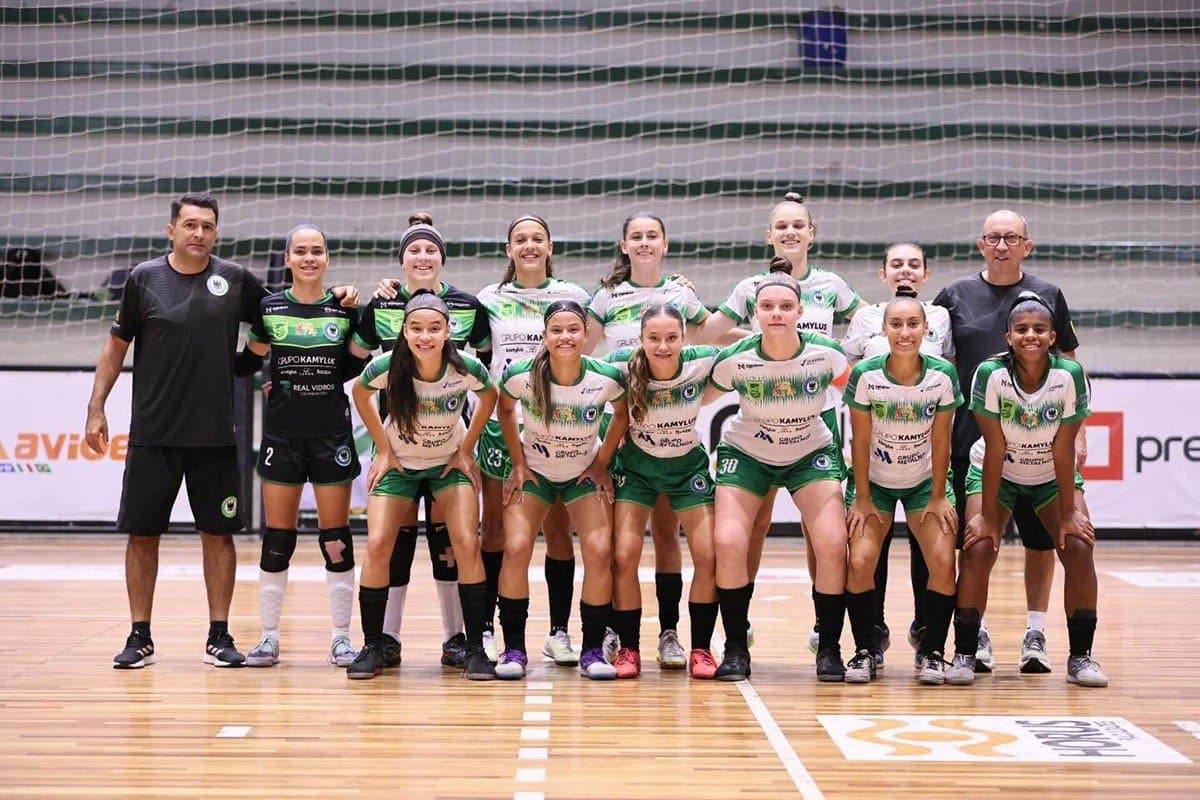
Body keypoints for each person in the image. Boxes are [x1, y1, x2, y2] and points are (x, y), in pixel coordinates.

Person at [85, 192, 356, 669]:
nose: (199, 234)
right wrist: (95, 407)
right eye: (190, 225)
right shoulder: (142, 279)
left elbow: (286, 311)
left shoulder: (233, 279)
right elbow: (115, 347)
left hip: (214, 435)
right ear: (171, 230)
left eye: (208, 226)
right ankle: (139, 636)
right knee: (143, 535)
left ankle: (219, 635)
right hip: (153, 432)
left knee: (218, 535)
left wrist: (338, 300)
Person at [700, 192, 862, 656]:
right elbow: (708, 331)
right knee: (747, 528)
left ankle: (823, 627)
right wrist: (680, 310)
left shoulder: (831, 285)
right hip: (760, 407)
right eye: (781, 226)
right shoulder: (751, 287)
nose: (790, 232)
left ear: (811, 233)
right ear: (769, 235)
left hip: (815, 412)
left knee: (824, 535)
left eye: (799, 225)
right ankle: (738, 624)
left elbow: (873, 321)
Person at [933, 210, 1086, 675]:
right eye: (993, 238)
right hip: (969, 439)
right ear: (981, 244)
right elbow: (936, 358)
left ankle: (1035, 632)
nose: (1001, 245)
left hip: (1040, 442)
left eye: (1011, 238)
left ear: (1027, 245)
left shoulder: (1049, 295)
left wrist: (1077, 437)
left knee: (1045, 544)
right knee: (976, 541)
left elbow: (1070, 361)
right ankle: (972, 635)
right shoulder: (954, 295)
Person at [947, 291, 1106, 688]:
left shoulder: (1069, 375)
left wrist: (1068, 514)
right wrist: (985, 517)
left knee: (1079, 546)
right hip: (995, 470)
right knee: (979, 547)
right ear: (1008, 336)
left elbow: (1064, 446)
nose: (1030, 336)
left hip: (1051, 476)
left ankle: (1081, 657)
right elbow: (996, 446)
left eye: (1039, 329)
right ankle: (966, 651)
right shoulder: (989, 374)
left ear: (1054, 336)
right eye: (1021, 329)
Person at [586, 212, 715, 669]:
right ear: (624, 244)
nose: (644, 243)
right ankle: (623, 641)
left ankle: (672, 634)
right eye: (636, 236)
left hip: (678, 446)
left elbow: (713, 334)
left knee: (670, 540)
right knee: (621, 552)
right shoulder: (606, 299)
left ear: (665, 243)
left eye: (652, 236)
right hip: (630, 439)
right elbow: (575, 350)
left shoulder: (682, 295)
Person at [347, 291, 497, 680]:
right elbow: (360, 393)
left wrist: (466, 450)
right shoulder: (386, 365)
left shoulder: (465, 366)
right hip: (401, 465)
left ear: (448, 331)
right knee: (378, 543)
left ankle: (476, 647)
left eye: (434, 328)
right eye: (416, 328)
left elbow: (490, 396)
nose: (425, 336)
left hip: (447, 464)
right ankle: (373, 644)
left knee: (466, 542)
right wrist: (382, 448)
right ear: (404, 330)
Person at [242, 224, 372, 669]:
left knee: (335, 539)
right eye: (301, 251)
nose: (309, 258)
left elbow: (358, 364)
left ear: (327, 258)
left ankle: (340, 638)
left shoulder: (344, 310)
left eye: (317, 251)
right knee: (278, 538)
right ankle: (268, 638)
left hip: (330, 434)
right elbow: (249, 359)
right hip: (282, 434)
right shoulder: (269, 307)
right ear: (287, 259)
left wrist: (363, 304)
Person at [366, 213, 492, 670]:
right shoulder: (381, 305)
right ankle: (381, 641)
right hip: (400, 453)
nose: (422, 257)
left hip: (444, 454)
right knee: (387, 545)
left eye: (430, 249)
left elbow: (489, 377)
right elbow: (355, 367)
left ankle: (461, 640)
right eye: (413, 250)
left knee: (453, 544)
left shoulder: (467, 307)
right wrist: (381, 447)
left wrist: (466, 449)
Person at [475, 216, 596, 666]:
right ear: (509, 249)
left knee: (558, 530)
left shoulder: (575, 298)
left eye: (536, 239)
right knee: (496, 530)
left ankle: (559, 632)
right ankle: (487, 627)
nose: (529, 246)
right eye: (520, 240)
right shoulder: (489, 299)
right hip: (503, 422)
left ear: (550, 246)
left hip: (559, 426)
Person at [494, 300, 628, 680]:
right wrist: (518, 462)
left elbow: (621, 414)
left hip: (580, 474)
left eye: (573, 330)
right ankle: (514, 649)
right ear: (544, 337)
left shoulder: (605, 378)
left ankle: (591, 650)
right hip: (535, 472)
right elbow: (504, 410)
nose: (565, 337)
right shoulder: (522, 375)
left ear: (586, 335)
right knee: (517, 547)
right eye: (557, 330)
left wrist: (601, 462)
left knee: (600, 551)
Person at [841, 242, 954, 663]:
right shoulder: (866, 349)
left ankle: (932, 646)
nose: (905, 332)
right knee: (866, 557)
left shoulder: (941, 330)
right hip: (875, 469)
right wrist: (863, 492)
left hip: (923, 469)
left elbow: (943, 435)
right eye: (896, 263)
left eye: (914, 264)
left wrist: (941, 492)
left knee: (938, 558)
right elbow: (845, 366)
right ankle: (869, 644)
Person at [604, 304, 720, 679]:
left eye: (672, 338)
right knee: (623, 555)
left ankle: (694, 645)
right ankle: (629, 647)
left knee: (707, 556)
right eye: (654, 338)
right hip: (638, 470)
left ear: (684, 338)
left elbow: (750, 349)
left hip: (686, 469)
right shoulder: (621, 365)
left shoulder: (702, 361)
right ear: (641, 339)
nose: (663, 346)